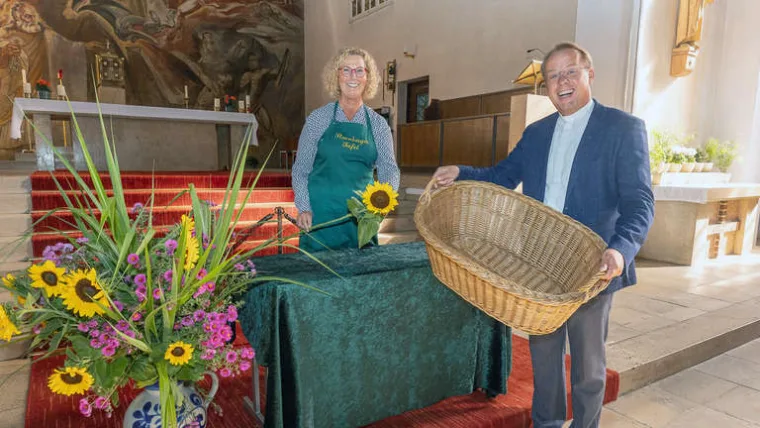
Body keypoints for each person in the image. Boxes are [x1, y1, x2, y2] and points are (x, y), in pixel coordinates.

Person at [432, 42, 654, 428]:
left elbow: (640, 201)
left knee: (588, 368)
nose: (561, 82)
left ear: (589, 73)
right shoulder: (537, 133)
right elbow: (502, 176)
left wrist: (621, 250)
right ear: (546, 85)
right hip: (539, 267)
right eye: (552, 75)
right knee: (546, 361)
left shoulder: (623, 128)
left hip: (592, 267)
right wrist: (461, 172)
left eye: (570, 71)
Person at [292, 47, 400, 252]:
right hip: (320, 216)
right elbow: (301, 169)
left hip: (361, 220)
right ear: (337, 75)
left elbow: (389, 170)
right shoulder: (318, 119)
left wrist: (378, 210)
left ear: (368, 77)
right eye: (346, 70)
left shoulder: (378, 125)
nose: (353, 76)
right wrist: (304, 207)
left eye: (359, 70)